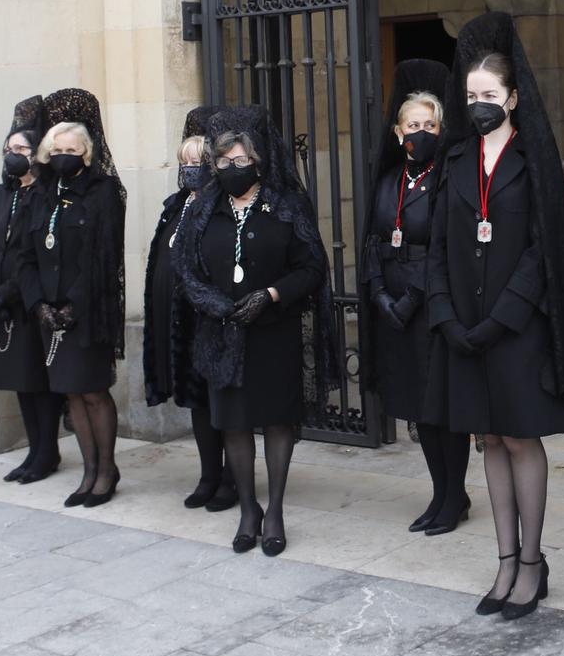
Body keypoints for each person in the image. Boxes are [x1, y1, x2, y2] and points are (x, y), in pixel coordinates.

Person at [425, 11, 564, 621]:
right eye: (471, 96)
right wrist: (446, 316)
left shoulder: (533, 160)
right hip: (464, 329)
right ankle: (503, 560)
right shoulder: (452, 161)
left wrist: (501, 318)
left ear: (513, 97)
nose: (479, 105)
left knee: (521, 438)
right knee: (489, 439)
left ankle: (532, 562)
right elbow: (440, 249)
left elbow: (542, 251)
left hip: (515, 327)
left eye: (489, 96)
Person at [174, 106, 338, 556]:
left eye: (240, 161)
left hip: (273, 331)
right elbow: (186, 270)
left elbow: (312, 268)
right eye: (223, 162)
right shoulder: (204, 208)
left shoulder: (286, 205)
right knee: (234, 423)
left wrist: (270, 295)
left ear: (260, 161)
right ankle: (249, 509)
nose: (231, 169)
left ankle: (276, 511)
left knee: (277, 420)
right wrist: (218, 306)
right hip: (221, 332)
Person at [362, 60, 472, 535]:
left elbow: (449, 246)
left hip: (434, 305)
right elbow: (371, 240)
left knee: (444, 408)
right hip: (396, 307)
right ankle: (439, 492)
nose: (420, 132)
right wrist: (381, 294)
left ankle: (456, 497)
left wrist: (412, 298)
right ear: (397, 130)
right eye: (413, 125)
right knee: (418, 408)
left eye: (430, 124)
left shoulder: (447, 177)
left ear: (441, 129)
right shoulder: (388, 180)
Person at [17, 88, 128, 508]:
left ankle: (107, 470)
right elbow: (26, 256)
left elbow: (102, 258)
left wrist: (72, 306)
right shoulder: (41, 193)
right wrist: (40, 305)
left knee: (94, 391)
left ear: (86, 152)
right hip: (49, 315)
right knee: (71, 393)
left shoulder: (102, 192)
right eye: (57, 148)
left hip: (87, 311)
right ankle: (88, 469)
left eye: (72, 148)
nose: (64, 154)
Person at [144, 106, 237, 512]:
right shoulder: (177, 205)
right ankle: (208, 476)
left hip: (211, 322)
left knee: (223, 407)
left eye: (198, 161)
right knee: (198, 406)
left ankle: (233, 479)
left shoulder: (222, 208)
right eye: (184, 162)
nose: (190, 169)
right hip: (181, 321)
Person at [0, 95, 63, 484]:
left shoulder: (44, 196)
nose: (12, 155)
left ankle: (47, 452)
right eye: (8, 148)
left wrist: (7, 293)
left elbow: (33, 257)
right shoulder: (4, 194)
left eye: (21, 149)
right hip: (2, 306)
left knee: (38, 383)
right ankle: (33, 451)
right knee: (19, 385)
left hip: (29, 302)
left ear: (36, 154)